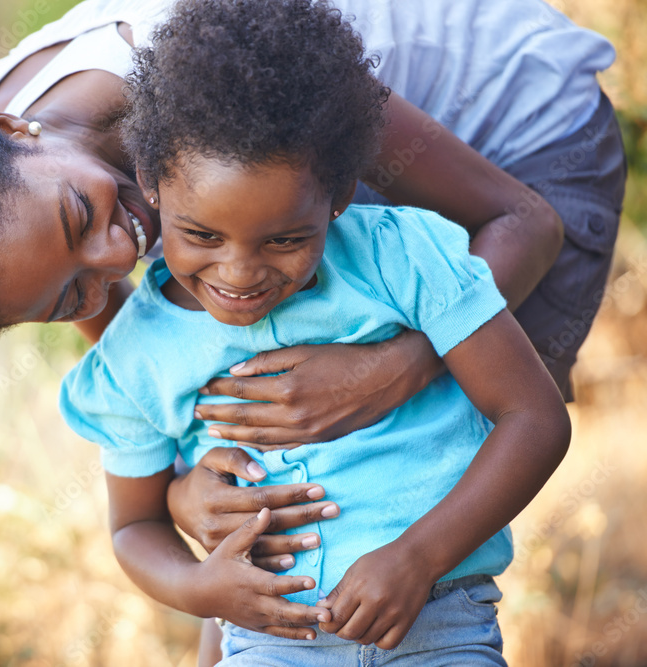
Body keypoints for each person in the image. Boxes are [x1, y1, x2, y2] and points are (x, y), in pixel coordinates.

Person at [0, 0, 617, 641]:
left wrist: (399, 369)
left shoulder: (209, 66)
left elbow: (517, 222)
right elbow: (170, 407)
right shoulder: (15, 237)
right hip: (329, 218)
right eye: (69, 297)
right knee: (266, 532)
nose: (119, 260)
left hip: (519, 140)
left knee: (417, 484)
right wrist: (190, 491)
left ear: (11, 131)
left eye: (82, 216)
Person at [57, 1, 571, 662]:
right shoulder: (136, 352)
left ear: (340, 194)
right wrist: (198, 586)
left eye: (286, 238)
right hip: (271, 640)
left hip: (439, 618)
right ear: (152, 186)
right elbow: (135, 525)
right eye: (201, 234)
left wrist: (420, 555)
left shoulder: (405, 259)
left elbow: (534, 419)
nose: (240, 273)